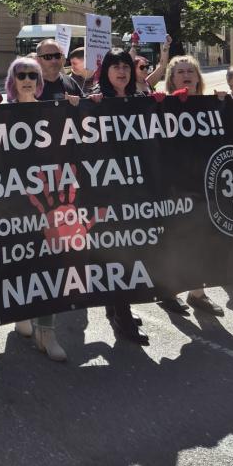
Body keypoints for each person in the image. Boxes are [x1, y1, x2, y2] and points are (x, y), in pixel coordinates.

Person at [0, 56, 68, 362]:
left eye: (32, 74)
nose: (27, 79)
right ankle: (22, 313)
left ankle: (47, 330)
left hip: (49, 201)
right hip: (14, 204)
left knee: (50, 262)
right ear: (12, 80)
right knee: (21, 260)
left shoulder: (53, 110)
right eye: (21, 74)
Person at [88, 49, 150, 344]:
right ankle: (124, 319)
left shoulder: (140, 101)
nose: (122, 71)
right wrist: (86, 108)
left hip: (134, 192)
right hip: (106, 194)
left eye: (126, 66)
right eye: (116, 66)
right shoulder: (96, 101)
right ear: (106, 71)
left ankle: (115, 307)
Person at [160, 55, 224, 315]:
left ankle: (197, 293)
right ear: (171, 79)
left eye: (190, 71)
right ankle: (169, 291)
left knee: (203, 240)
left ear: (198, 77)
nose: (186, 75)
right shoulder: (162, 105)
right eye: (179, 72)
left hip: (206, 183)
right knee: (177, 239)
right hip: (174, 185)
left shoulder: (214, 104)